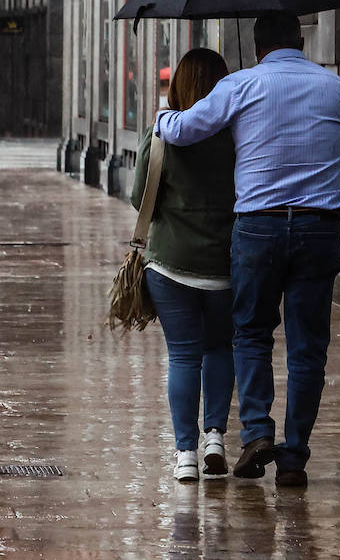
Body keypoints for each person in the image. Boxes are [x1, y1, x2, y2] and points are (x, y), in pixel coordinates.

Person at [155, 12, 340, 488]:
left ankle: (258, 431)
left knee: (251, 334)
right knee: (308, 348)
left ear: (258, 46)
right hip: (319, 228)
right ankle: (295, 456)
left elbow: (181, 130)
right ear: (301, 41)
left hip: (259, 228)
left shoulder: (242, 85)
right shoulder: (335, 87)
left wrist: (163, 114)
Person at [132, 48, 236, 483]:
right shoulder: (238, 137)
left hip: (171, 268)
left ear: (177, 86)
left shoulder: (162, 137)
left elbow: (142, 200)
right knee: (219, 349)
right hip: (227, 268)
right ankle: (215, 435)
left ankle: (185, 455)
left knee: (183, 357)